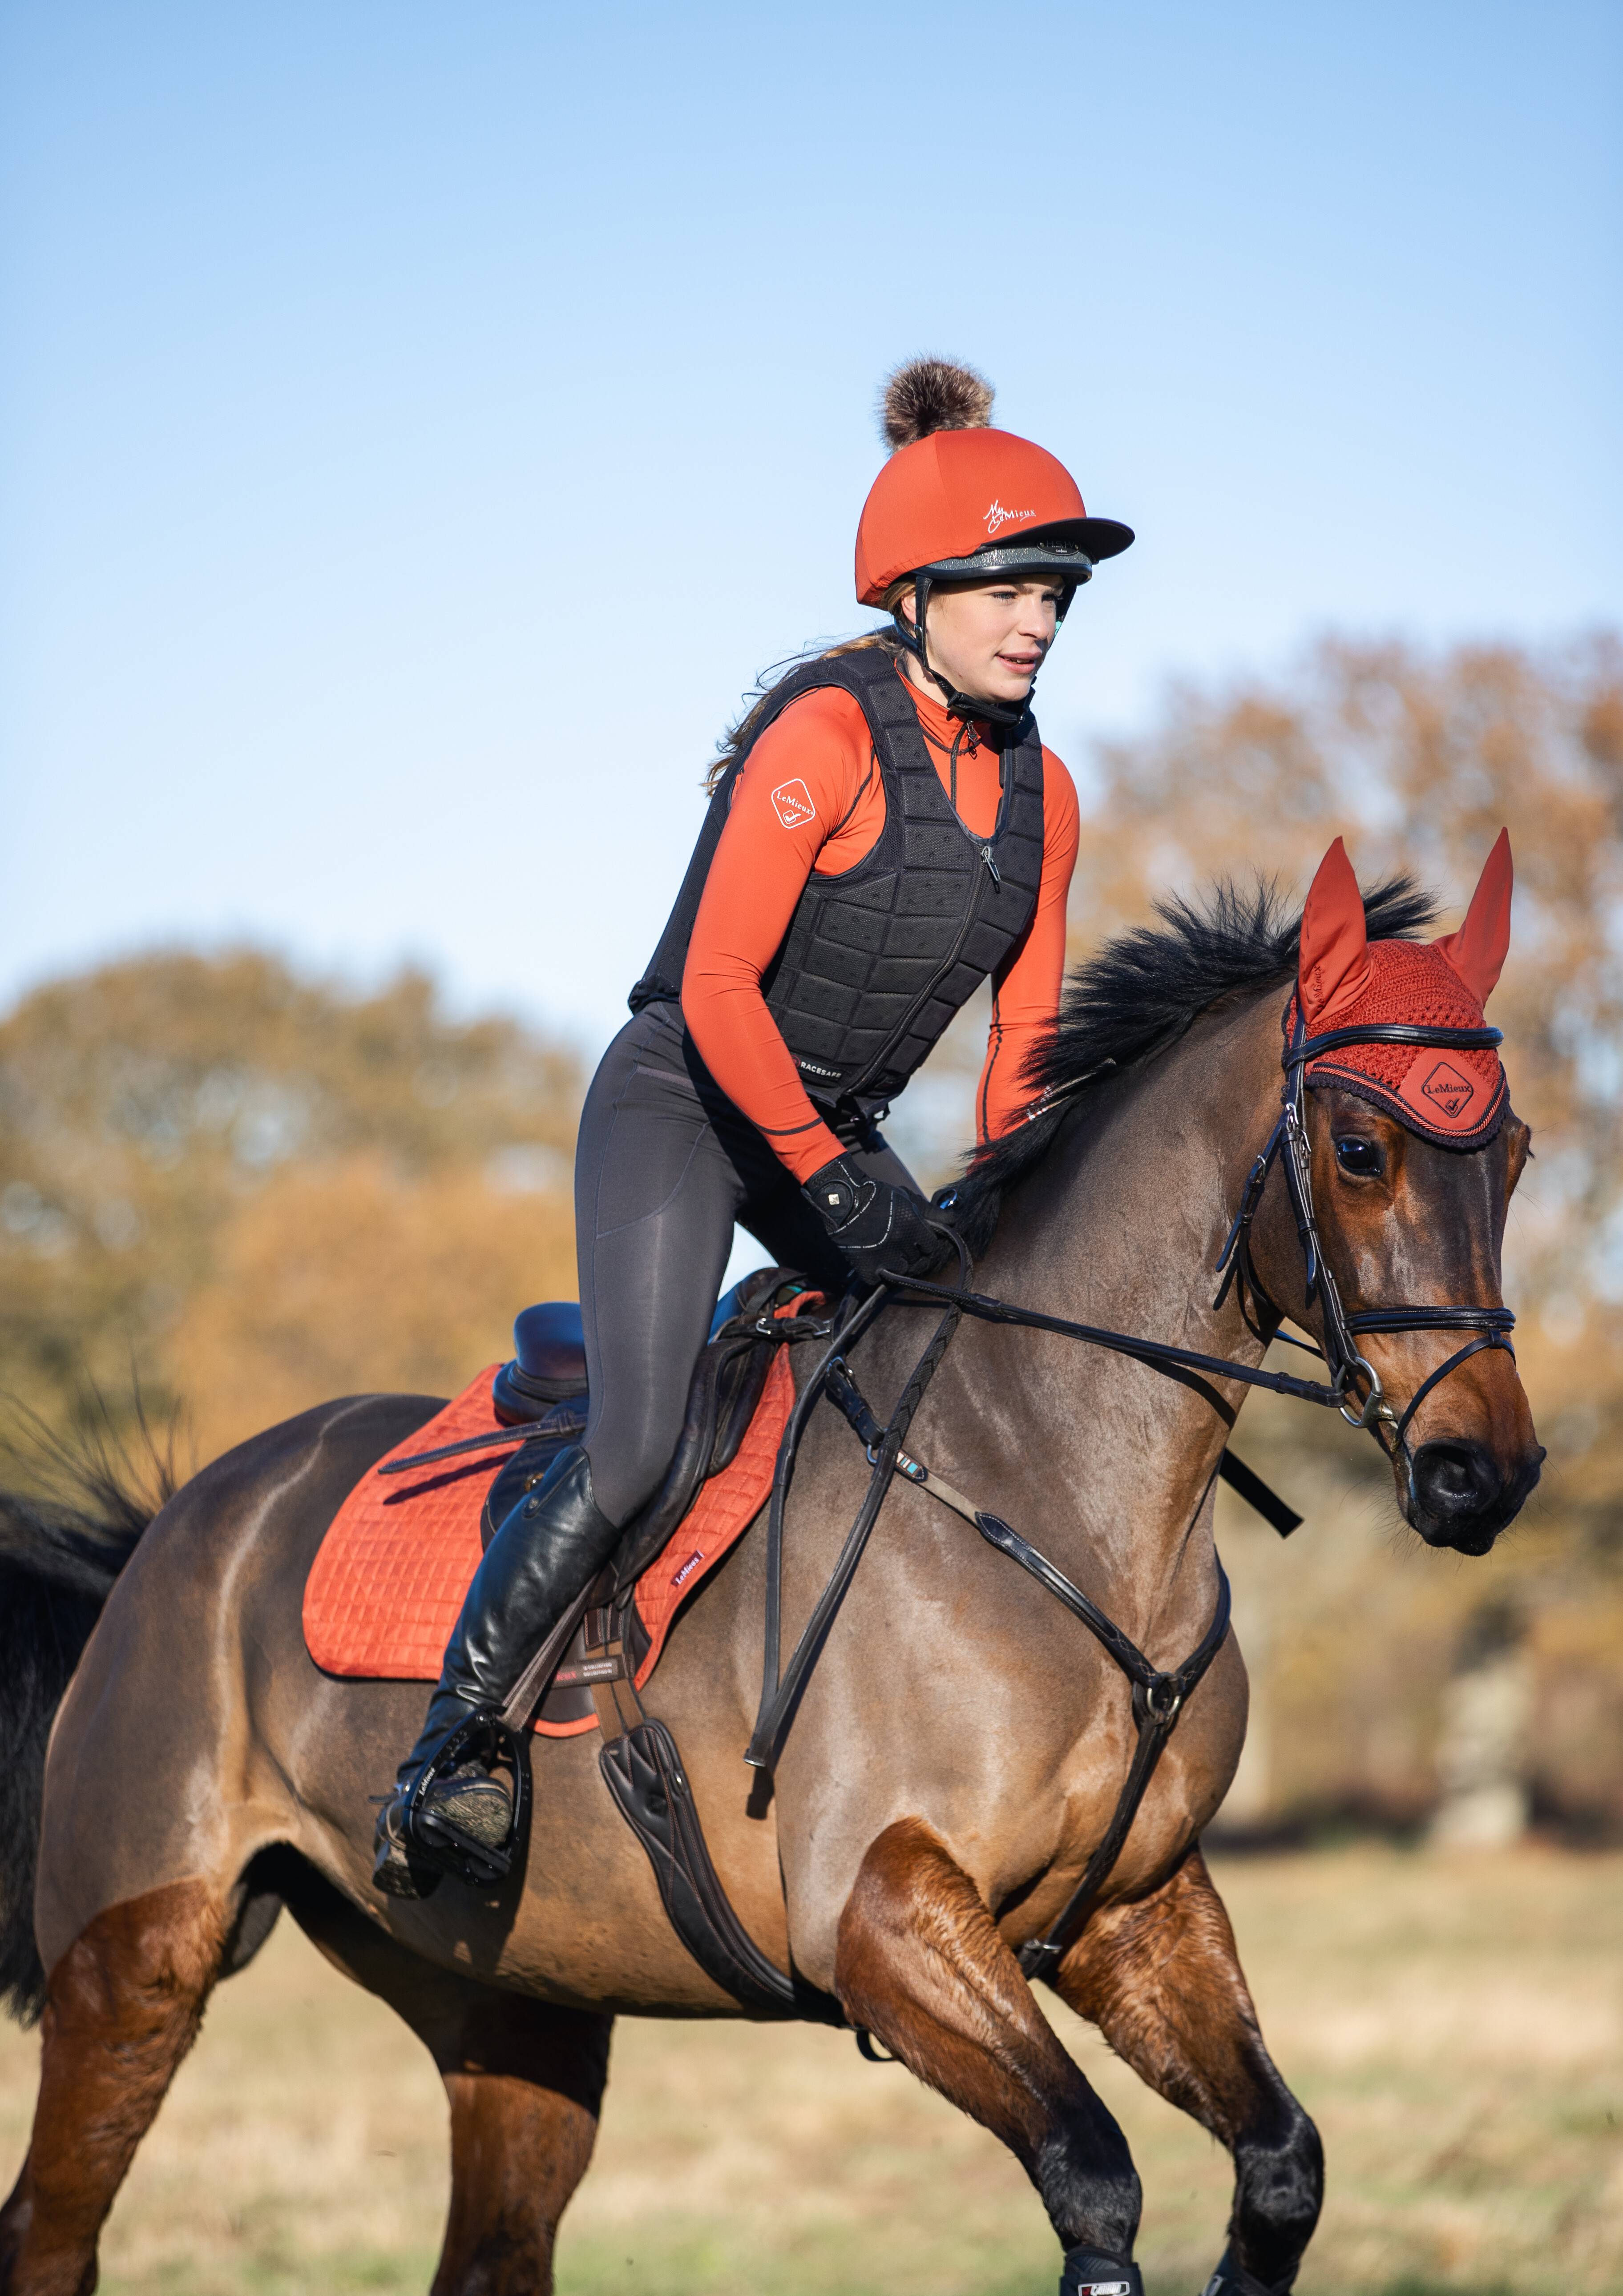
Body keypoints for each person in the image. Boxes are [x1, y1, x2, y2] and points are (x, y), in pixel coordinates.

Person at [375, 357, 1133, 1894]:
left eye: (1055, 594)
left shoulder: (1046, 793)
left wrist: (1015, 1215)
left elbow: (1023, 1047)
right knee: (640, 1440)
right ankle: (454, 1749)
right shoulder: (827, 737)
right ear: (915, 594)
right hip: (683, 1105)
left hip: (823, 1130)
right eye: (1007, 589)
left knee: (969, 1366)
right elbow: (719, 989)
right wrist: (832, 1180)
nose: (1040, 620)